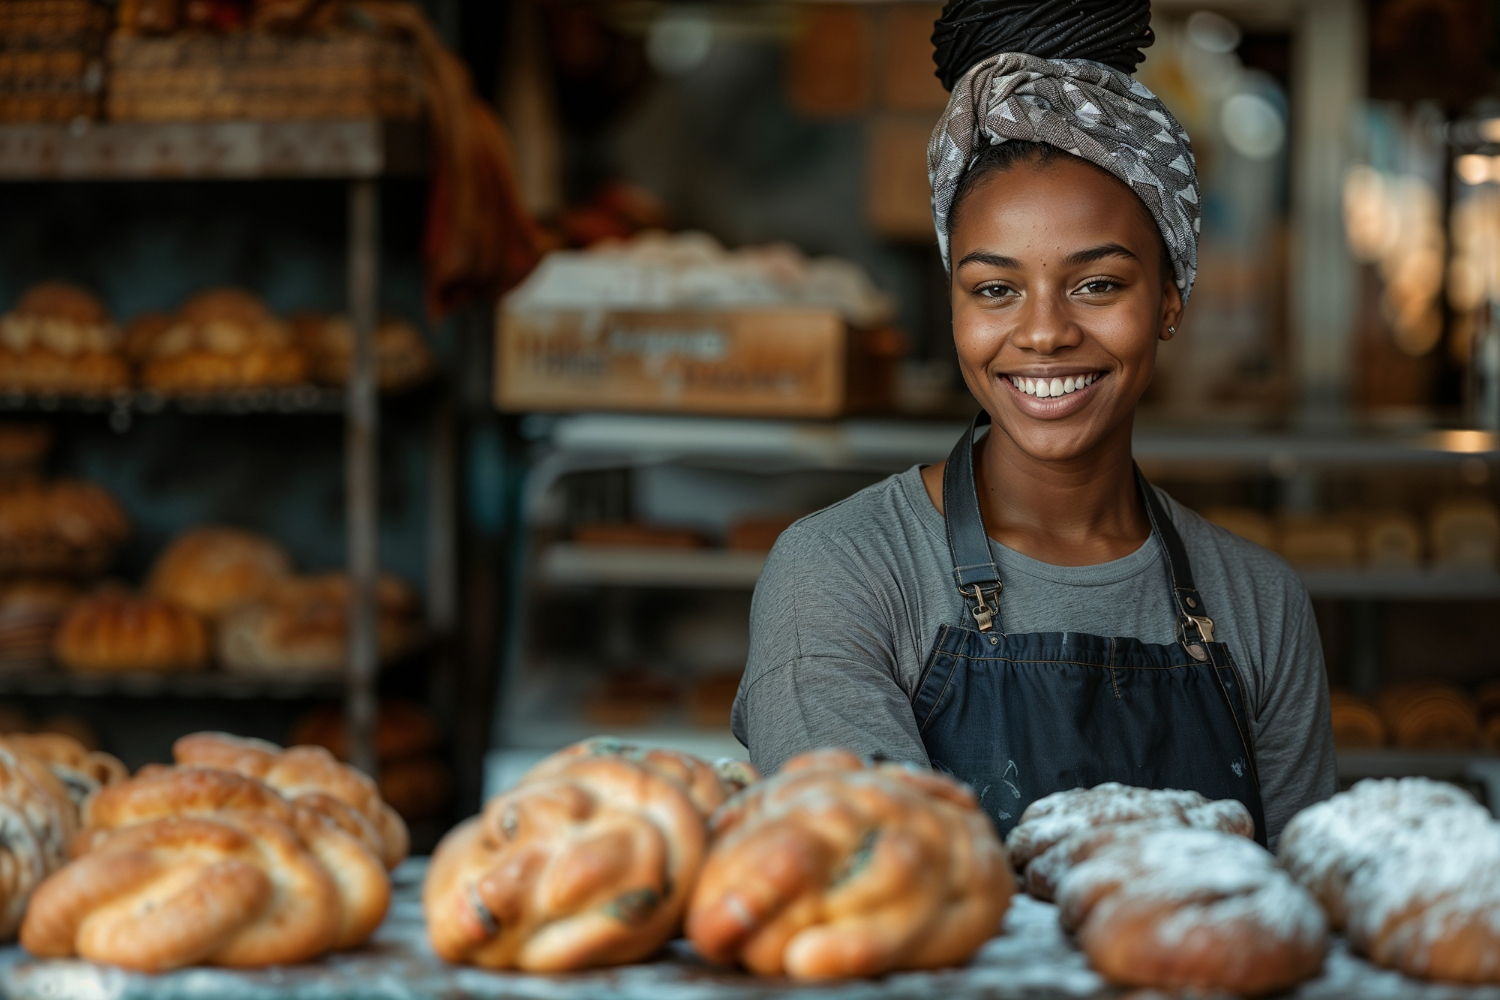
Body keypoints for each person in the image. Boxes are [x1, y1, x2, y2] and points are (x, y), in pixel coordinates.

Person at [731, 0, 1335, 846]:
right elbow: (870, 878)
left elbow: (1296, 908)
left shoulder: (1260, 604)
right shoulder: (843, 573)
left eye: (1098, 284)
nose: (1044, 332)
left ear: (1170, 298)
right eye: (995, 289)